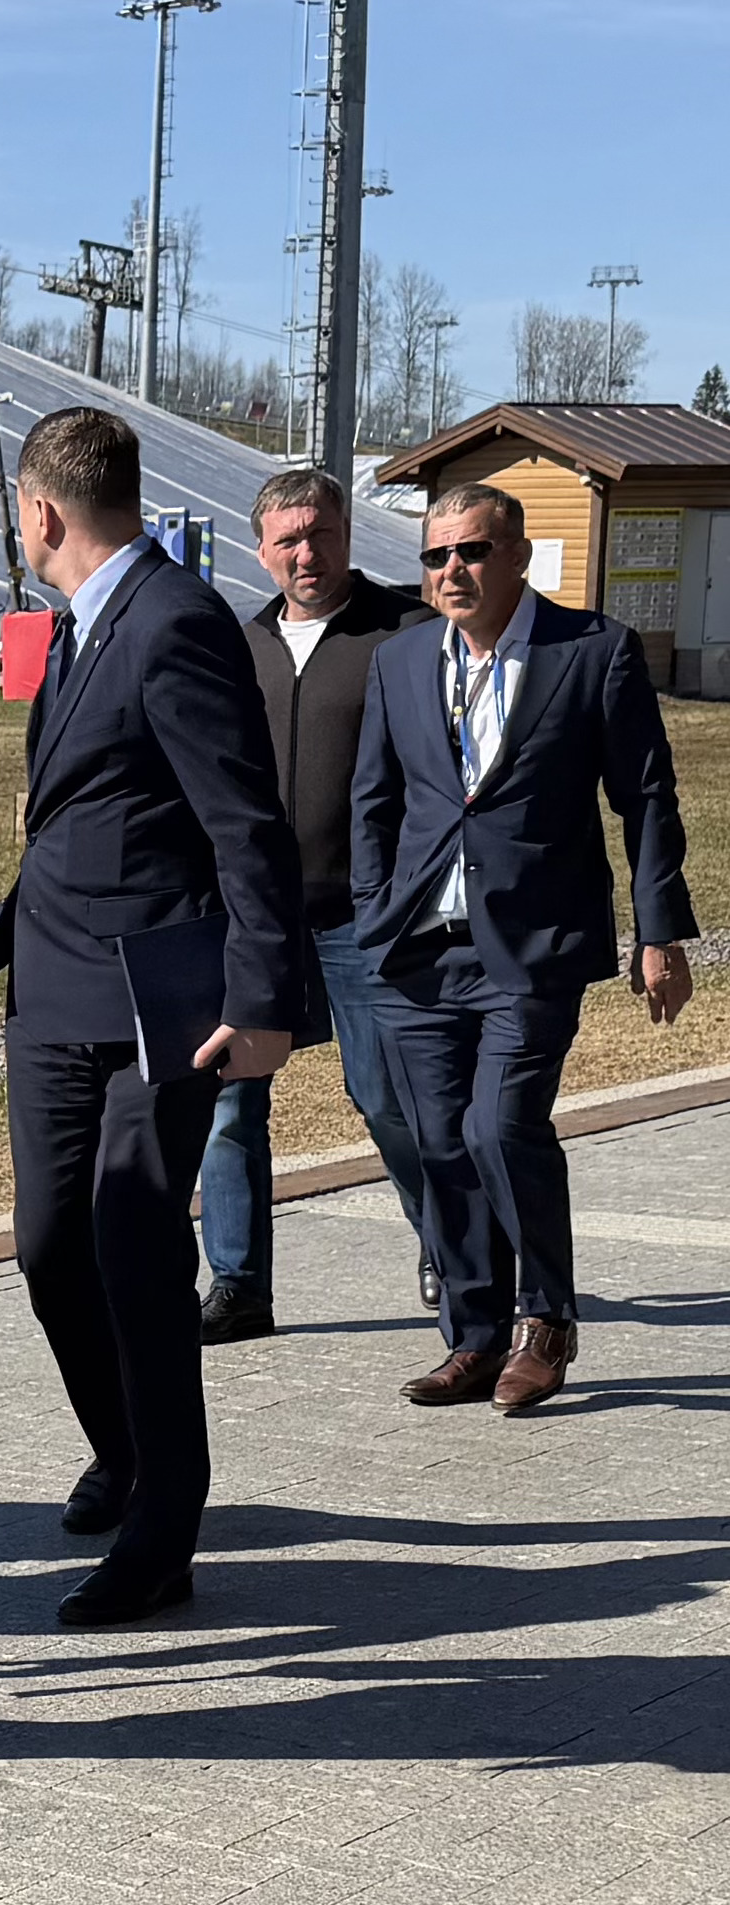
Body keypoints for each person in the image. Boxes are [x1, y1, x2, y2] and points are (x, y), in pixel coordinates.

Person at [0, 406, 304, 1626]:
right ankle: (125, 1445)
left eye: (15, 510)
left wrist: (262, 996)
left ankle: (166, 1528)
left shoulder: (173, 621)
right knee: (49, 1242)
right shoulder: (75, 625)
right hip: (55, 990)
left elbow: (246, 823)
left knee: (134, 1246)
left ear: (40, 510)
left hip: (157, 1003)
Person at [352, 483, 695, 1414]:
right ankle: (472, 1337)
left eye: (469, 551)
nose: (449, 570)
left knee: (498, 1126)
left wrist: (657, 930)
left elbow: (645, 798)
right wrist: (373, 907)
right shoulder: (399, 659)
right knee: (438, 1141)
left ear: (517, 556)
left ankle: (544, 1320)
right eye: (434, 555)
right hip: (418, 948)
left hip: (532, 944)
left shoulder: (591, 651)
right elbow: (374, 798)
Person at [197, 468, 435, 1344]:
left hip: (364, 919)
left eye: (319, 533)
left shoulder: (405, 634)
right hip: (254, 920)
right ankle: (237, 1285)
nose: (306, 553)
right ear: (259, 549)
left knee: (385, 1096)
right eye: (287, 539)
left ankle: (451, 1248)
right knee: (229, 1103)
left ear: (345, 535)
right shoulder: (237, 646)